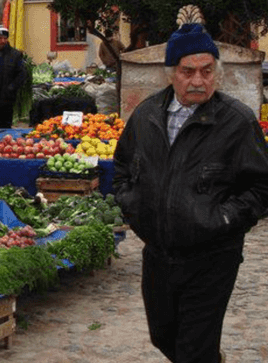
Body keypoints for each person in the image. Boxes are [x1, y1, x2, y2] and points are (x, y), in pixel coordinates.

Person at [113, 23, 268, 363]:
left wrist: (224, 218)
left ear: (217, 73)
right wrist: (131, 204)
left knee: (192, 350)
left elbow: (261, 186)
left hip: (212, 256)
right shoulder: (146, 115)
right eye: (188, 72)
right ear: (171, 74)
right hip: (159, 252)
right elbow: (122, 166)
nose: (198, 80)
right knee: (163, 335)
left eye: (206, 71)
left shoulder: (237, 122)